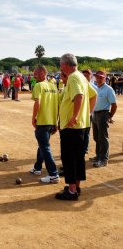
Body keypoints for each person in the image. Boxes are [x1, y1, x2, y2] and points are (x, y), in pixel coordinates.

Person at [55, 53, 97, 201]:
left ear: (66, 64)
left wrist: (75, 116)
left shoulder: (73, 77)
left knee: (69, 158)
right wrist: (87, 113)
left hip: (73, 126)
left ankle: (72, 191)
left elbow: (79, 96)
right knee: (78, 158)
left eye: (61, 64)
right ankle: (76, 186)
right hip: (82, 125)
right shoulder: (81, 77)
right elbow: (93, 95)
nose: (60, 67)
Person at [30, 65, 60, 183]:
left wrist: (34, 117)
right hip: (51, 122)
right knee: (43, 145)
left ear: (43, 73)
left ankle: (53, 174)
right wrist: (56, 122)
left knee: (45, 147)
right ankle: (37, 168)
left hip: (42, 121)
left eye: (36, 74)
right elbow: (57, 106)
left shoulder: (38, 86)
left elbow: (37, 102)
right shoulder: (54, 86)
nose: (34, 76)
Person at [90, 71, 117, 167]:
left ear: (105, 78)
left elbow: (114, 105)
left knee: (103, 137)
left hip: (103, 114)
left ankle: (104, 159)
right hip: (95, 114)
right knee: (96, 137)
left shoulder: (108, 89)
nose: (98, 79)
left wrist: (110, 116)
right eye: (97, 77)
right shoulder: (95, 88)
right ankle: (98, 156)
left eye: (101, 77)